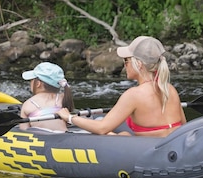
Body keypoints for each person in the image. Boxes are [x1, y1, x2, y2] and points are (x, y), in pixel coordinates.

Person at [57, 36, 186, 136]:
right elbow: (183, 125)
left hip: (151, 154)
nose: (125, 65)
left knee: (106, 133)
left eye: (126, 60)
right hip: (173, 148)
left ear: (139, 64)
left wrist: (69, 117)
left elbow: (101, 128)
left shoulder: (134, 95)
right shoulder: (170, 89)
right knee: (124, 134)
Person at [19, 62, 74, 132]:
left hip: (42, 139)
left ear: (38, 84)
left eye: (32, 80)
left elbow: (24, 130)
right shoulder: (63, 98)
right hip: (63, 137)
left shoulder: (28, 103)